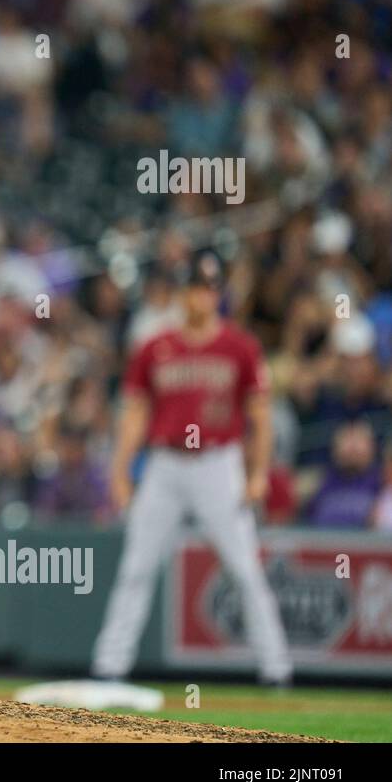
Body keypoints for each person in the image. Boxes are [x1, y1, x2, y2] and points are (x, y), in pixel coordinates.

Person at [91, 250, 292, 686]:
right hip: (165, 466)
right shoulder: (155, 346)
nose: (204, 296)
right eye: (197, 288)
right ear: (183, 293)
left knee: (243, 568)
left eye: (211, 288)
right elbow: (134, 417)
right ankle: (110, 667)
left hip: (219, 464)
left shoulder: (239, 346)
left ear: (220, 293)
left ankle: (277, 670)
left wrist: (257, 473)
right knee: (137, 567)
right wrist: (121, 472)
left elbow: (261, 417)